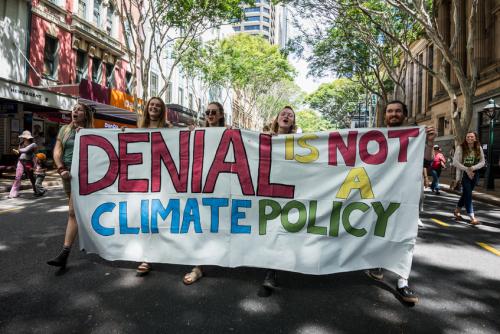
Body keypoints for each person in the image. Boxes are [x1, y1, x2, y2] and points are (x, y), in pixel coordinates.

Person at [366, 100, 436, 304]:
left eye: (397, 111)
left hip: (406, 198)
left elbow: (426, 163)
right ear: (385, 115)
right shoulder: (373, 138)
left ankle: (402, 282)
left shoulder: (414, 137)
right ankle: (377, 263)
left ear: (404, 114)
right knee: (377, 231)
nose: (393, 114)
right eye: (390, 111)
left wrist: (429, 142)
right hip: (378, 196)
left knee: (405, 237)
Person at [183, 101, 227, 285]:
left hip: (223, 185)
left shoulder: (228, 133)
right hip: (201, 185)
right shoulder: (196, 133)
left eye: (213, 112)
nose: (210, 114)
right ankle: (198, 267)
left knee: (223, 223)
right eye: (207, 112)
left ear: (221, 115)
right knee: (200, 224)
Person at [46, 103, 93, 269]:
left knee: (73, 212)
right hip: (67, 175)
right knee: (78, 212)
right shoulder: (64, 130)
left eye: (79, 109)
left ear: (85, 115)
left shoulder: (91, 132)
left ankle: (64, 253)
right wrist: (60, 169)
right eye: (74, 109)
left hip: (84, 177)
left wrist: (87, 136)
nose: (75, 111)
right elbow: (57, 151)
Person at [260, 106, 297, 290]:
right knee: (269, 229)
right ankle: (268, 269)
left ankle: (272, 270)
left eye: (290, 115)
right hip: (265, 189)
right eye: (283, 113)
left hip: (287, 191)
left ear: (293, 122)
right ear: (277, 118)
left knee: (280, 229)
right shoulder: (263, 138)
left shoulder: (300, 141)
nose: (286, 116)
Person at [136, 97, 173, 276]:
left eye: (158, 106)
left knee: (158, 218)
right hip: (142, 180)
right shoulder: (138, 128)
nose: (154, 107)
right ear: (147, 107)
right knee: (145, 218)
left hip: (163, 180)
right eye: (152, 104)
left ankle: (152, 256)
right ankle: (147, 257)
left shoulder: (169, 129)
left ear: (162, 110)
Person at [452, 132, 485, 225]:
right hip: (464, 174)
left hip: (475, 174)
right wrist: (467, 169)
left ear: (475, 138)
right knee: (469, 195)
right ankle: (472, 217)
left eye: (472, 136)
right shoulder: (460, 147)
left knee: (466, 194)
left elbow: (483, 162)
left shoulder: (478, 147)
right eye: (468, 136)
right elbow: (455, 162)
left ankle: (456, 211)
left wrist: (473, 168)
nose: (469, 138)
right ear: (465, 138)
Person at [8, 130, 39, 198]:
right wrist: (16, 152)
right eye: (23, 137)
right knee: (17, 177)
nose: (23, 138)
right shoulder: (21, 143)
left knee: (31, 177)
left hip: (29, 162)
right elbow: (19, 153)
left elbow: (26, 150)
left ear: (28, 138)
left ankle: (37, 190)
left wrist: (36, 165)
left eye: (25, 137)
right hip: (21, 161)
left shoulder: (33, 144)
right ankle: (13, 193)